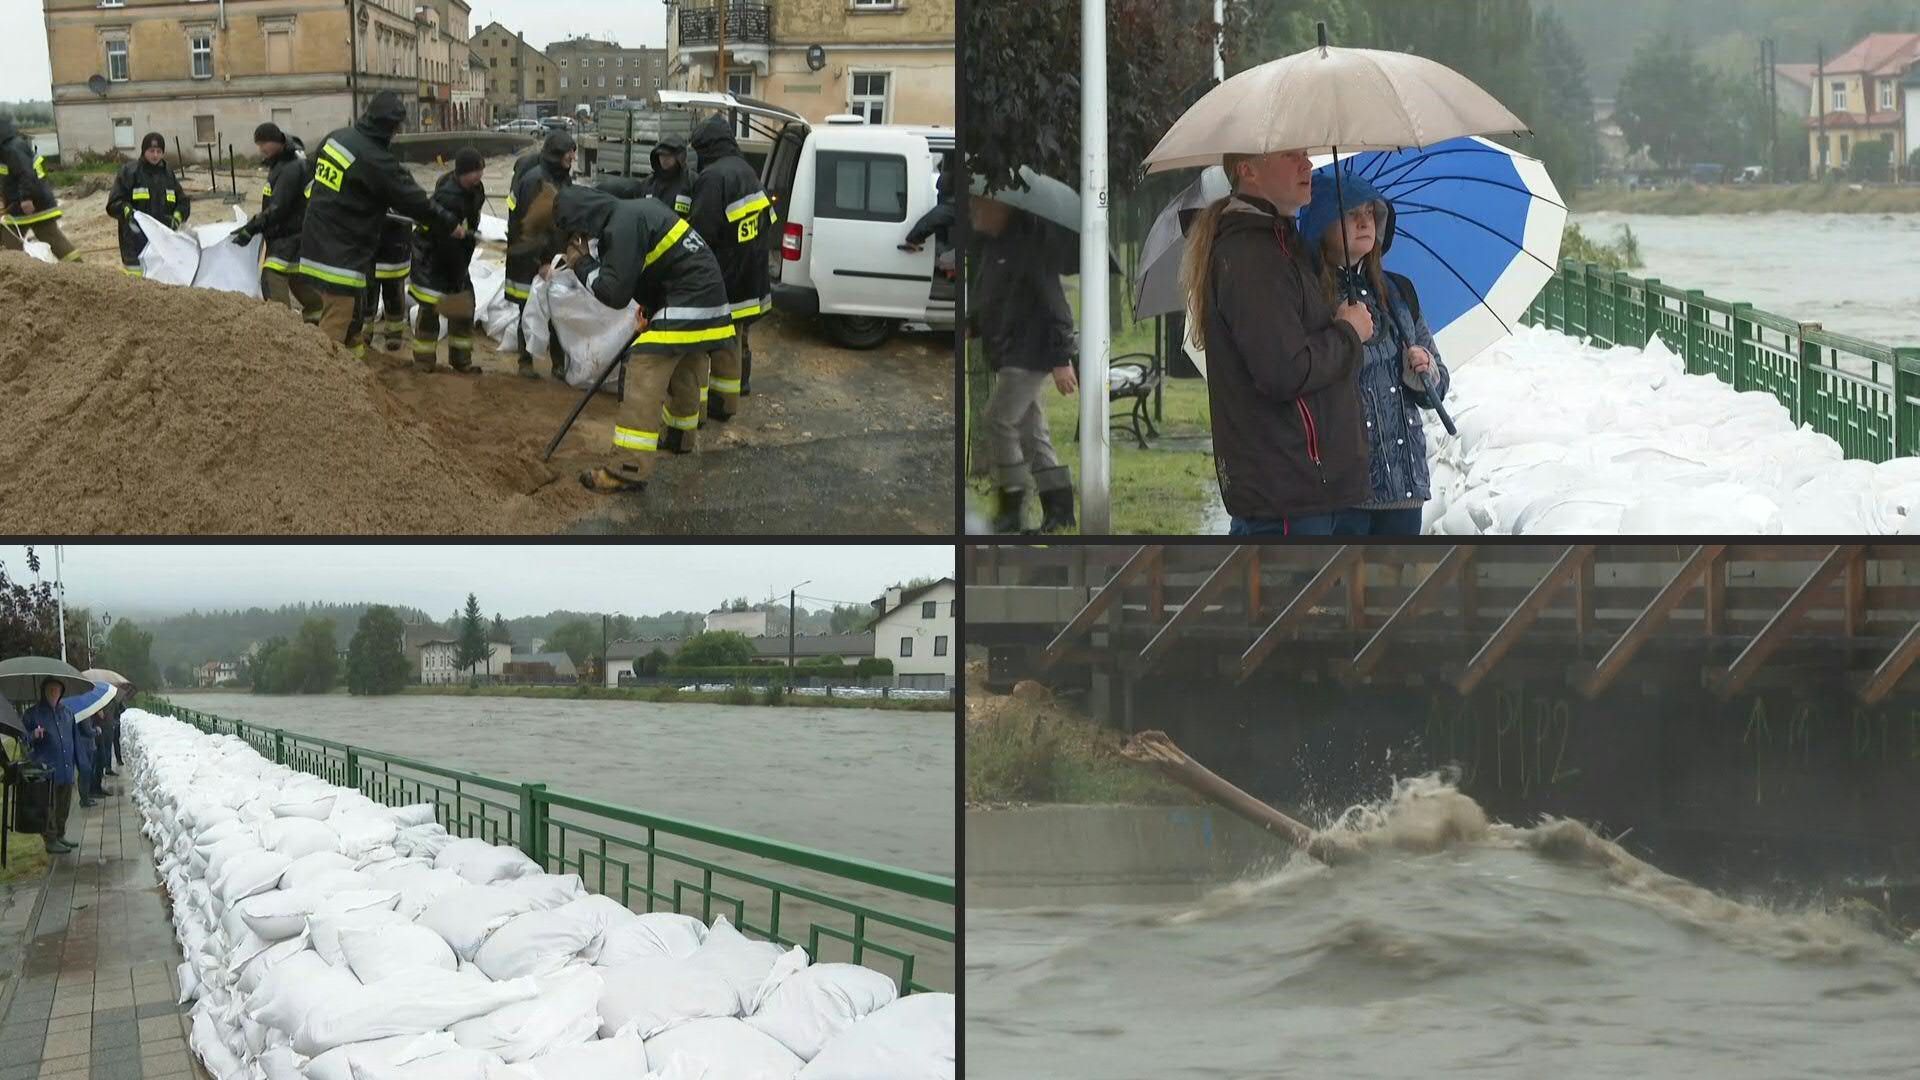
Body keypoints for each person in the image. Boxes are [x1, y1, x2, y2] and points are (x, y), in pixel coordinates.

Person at [1181, 148, 1375, 536]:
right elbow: (1285, 370)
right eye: (1291, 155)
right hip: (1288, 492)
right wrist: (1349, 332)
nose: (1306, 165)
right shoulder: (1254, 256)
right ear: (1248, 170)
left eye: (1305, 154)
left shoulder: (1279, 245)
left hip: (1301, 490)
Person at [551, 183, 736, 493]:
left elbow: (614, 294)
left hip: (687, 302)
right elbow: (660, 267)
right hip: (708, 302)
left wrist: (581, 262)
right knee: (685, 362)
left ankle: (627, 468)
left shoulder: (621, 225)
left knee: (643, 367)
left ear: (581, 223)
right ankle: (679, 435)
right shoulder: (634, 212)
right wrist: (650, 307)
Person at [1298, 173, 1452, 535]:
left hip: (1405, 486)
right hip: (1341, 492)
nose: (1366, 221)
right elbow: (1304, 376)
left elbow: (1439, 384)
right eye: (1351, 213)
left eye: (1371, 211)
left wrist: (1425, 370)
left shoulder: (1398, 291)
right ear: (1321, 222)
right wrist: (1340, 332)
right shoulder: (1305, 297)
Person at [297, 91, 464, 359]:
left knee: (352, 320)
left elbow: (313, 181)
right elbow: (416, 201)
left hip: (314, 243)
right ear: (391, 126)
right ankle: (320, 386)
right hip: (341, 256)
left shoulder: (336, 138)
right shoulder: (376, 161)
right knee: (335, 325)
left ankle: (355, 376)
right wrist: (449, 224)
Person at [969, 195, 1078, 534]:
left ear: (1002, 208)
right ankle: (1059, 511)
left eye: (980, 206)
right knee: (1033, 433)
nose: (975, 213)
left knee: (997, 419)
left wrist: (1062, 360)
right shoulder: (993, 248)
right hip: (1007, 352)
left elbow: (1056, 307)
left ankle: (1012, 506)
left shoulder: (1030, 248)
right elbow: (990, 298)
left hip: (1028, 354)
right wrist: (972, 322)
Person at [686, 115, 773, 419]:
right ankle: (728, 401)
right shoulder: (747, 171)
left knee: (703, 344)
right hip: (752, 276)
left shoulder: (713, 178)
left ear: (707, 148)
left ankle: (698, 410)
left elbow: (699, 235)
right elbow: (766, 222)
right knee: (734, 341)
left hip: (726, 279)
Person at [233, 124, 323, 324]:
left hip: (288, 234)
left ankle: (283, 325)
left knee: (272, 276)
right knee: (297, 277)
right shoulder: (285, 161)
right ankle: (318, 314)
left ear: (275, 141)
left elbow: (278, 207)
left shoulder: (289, 167)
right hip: (294, 232)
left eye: (263, 144)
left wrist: (253, 227)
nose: (261, 149)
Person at [410, 148, 487, 373]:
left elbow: (470, 219)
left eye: (481, 170)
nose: (480, 175)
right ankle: (424, 363)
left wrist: (471, 238)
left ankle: (461, 361)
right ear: (463, 173)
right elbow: (444, 243)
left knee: (463, 310)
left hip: (457, 259)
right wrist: (456, 275)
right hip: (433, 262)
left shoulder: (474, 189)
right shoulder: (448, 197)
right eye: (476, 171)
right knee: (430, 310)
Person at [506, 132, 576, 379]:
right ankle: (525, 362)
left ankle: (559, 364)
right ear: (557, 154)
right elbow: (527, 229)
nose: (573, 157)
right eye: (569, 152)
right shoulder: (535, 182)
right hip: (530, 261)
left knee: (557, 312)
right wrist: (540, 263)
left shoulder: (563, 180)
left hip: (556, 259)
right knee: (530, 310)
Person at [105, 132, 191, 277]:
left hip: (162, 244)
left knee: (161, 282)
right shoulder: (130, 172)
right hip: (134, 243)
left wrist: (177, 217)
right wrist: (126, 210)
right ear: (144, 151)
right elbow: (113, 203)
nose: (155, 155)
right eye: (151, 151)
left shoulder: (168, 175)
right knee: (136, 283)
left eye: (159, 151)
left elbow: (183, 202)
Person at [0, 115, 80, 262]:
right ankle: (13, 274)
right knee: (7, 243)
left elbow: (26, 173)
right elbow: (7, 180)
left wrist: (26, 198)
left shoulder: (12, 148)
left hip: (34, 204)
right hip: (18, 208)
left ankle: (83, 272)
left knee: (52, 238)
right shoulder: (4, 150)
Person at [23, 679, 79, 853]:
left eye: (57, 689)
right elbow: (22, 739)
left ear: (61, 692)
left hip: (67, 768)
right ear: (44, 691)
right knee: (49, 807)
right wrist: (33, 735)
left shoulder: (68, 713)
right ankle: (50, 840)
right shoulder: (32, 714)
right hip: (47, 770)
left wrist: (80, 764)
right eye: (50, 689)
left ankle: (60, 835)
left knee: (64, 805)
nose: (54, 692)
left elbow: (74, 740)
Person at [362, 213, 416, 354]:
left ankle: (394, 334)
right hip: (370, 243)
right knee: (367, 294)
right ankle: (364, 332)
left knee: (394, 294)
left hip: (396, 246)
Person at [644, 140, 695, 218]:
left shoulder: (691, 181)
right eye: (661, 155)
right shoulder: (649, 182)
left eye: (669, 156)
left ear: (679, 157)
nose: (664, 159)